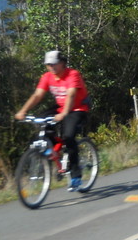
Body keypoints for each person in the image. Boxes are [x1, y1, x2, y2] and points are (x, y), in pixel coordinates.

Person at [15, 50, 91, 191]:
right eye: (48, 65)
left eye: (54, 64)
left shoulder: (72, 74)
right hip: (61, 107)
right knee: (41, 122)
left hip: (78, 108)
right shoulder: (47, 77)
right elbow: (37, 95)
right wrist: (23, 111)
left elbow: (71, 95)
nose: (51, 67)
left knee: (68, 136)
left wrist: (64, 113)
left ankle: (76, 177)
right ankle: (54, 151)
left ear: (62, 63)